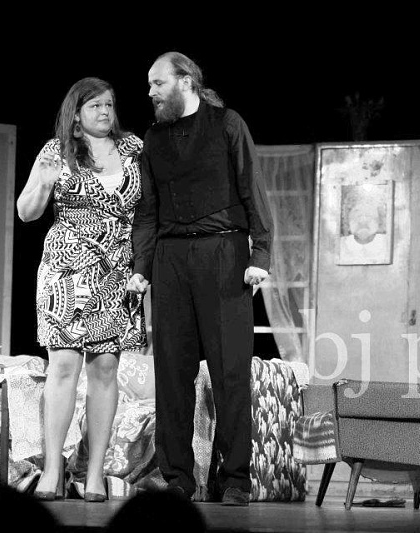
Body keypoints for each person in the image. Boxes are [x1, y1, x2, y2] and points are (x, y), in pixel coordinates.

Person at [127, 51, 272, 506]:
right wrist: (141, 268)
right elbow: (147, 211)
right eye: (149, 85)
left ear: (185, 81)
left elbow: (252, 187)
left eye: (157, 83)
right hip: (170, 258)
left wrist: (260, 253)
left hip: (223, 253)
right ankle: (178, 478)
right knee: (172, 373)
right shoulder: (154, 138)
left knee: (230, 372)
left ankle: (235, 479)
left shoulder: (227, 125)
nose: (150, 92)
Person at [17, 77, 146, 502]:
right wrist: (43, 183)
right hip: (65, 272)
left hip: (117, 272)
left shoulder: (133, 149)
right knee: (63, 367)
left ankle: (93, 474)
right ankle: (53, 470)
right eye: (95, 106)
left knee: (105, 369)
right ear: (76, 113)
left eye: (109, 104)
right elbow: (26, 212)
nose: (105, 112)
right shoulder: (56, 151)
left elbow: (149, 210)